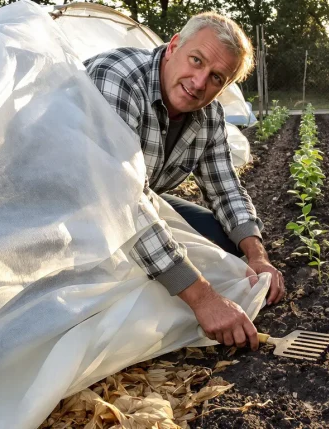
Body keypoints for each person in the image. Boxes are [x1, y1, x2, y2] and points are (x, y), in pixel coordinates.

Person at [83, 12, 283, 351]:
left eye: (217, 77)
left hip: (138, 201)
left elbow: (225, 187)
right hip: (78, 211)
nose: (200, 81)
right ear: (174, 45)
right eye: (196, 60)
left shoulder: (208, 115)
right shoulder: (118, 80)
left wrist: (257, 254)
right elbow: (120, 203)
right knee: (116, 279)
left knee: (229, 244)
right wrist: (204, 298)